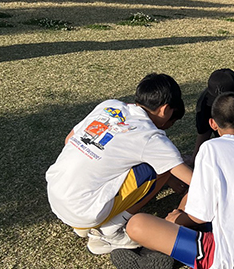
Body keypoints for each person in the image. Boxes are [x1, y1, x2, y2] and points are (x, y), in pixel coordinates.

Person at [116, 92, 234, 269]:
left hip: (224, 260)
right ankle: (168, 246)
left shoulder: (210, 148)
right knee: (192, 197)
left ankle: (163, 250)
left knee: (136, 225)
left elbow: (199, 216)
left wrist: (175, 220)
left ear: (212, 124)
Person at [46, 73, 192, 258]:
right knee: (158, 168)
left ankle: (85, 225)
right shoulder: (151, 137)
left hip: (56, 195)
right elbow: (193, 180)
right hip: (84, 210)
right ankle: (110, 231)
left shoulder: (109, 105)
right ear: (165, 110)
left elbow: (70, 139)